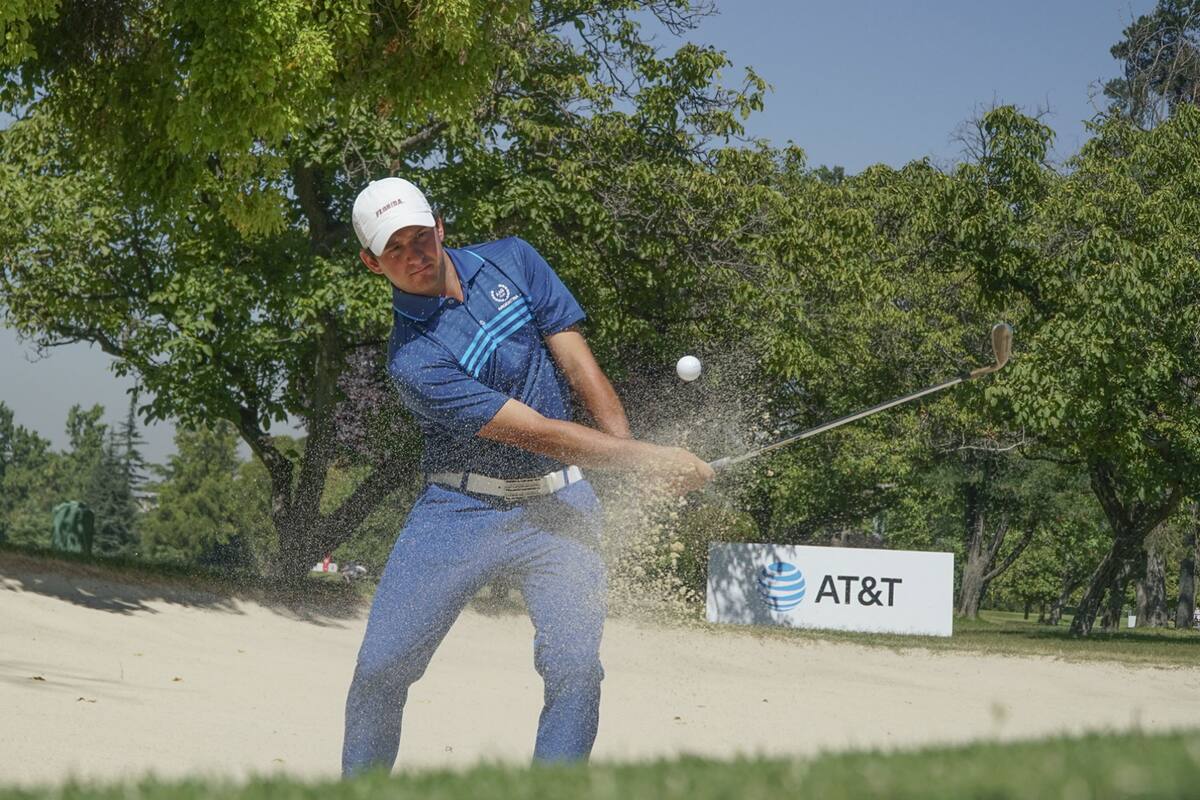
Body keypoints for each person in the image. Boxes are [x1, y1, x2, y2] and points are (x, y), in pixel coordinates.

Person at [341, 177, 714, 775]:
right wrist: (649, 458)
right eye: (395, 249)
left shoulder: (513, 260)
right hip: (459, 510)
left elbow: (579, 365)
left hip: (561, 504)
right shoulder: (413, 360)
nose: (414, 255)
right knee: (381, 667)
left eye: (420, 236)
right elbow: (535, 430)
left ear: (439, 226)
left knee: (576, 669)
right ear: (371, 262)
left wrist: (630, 458)